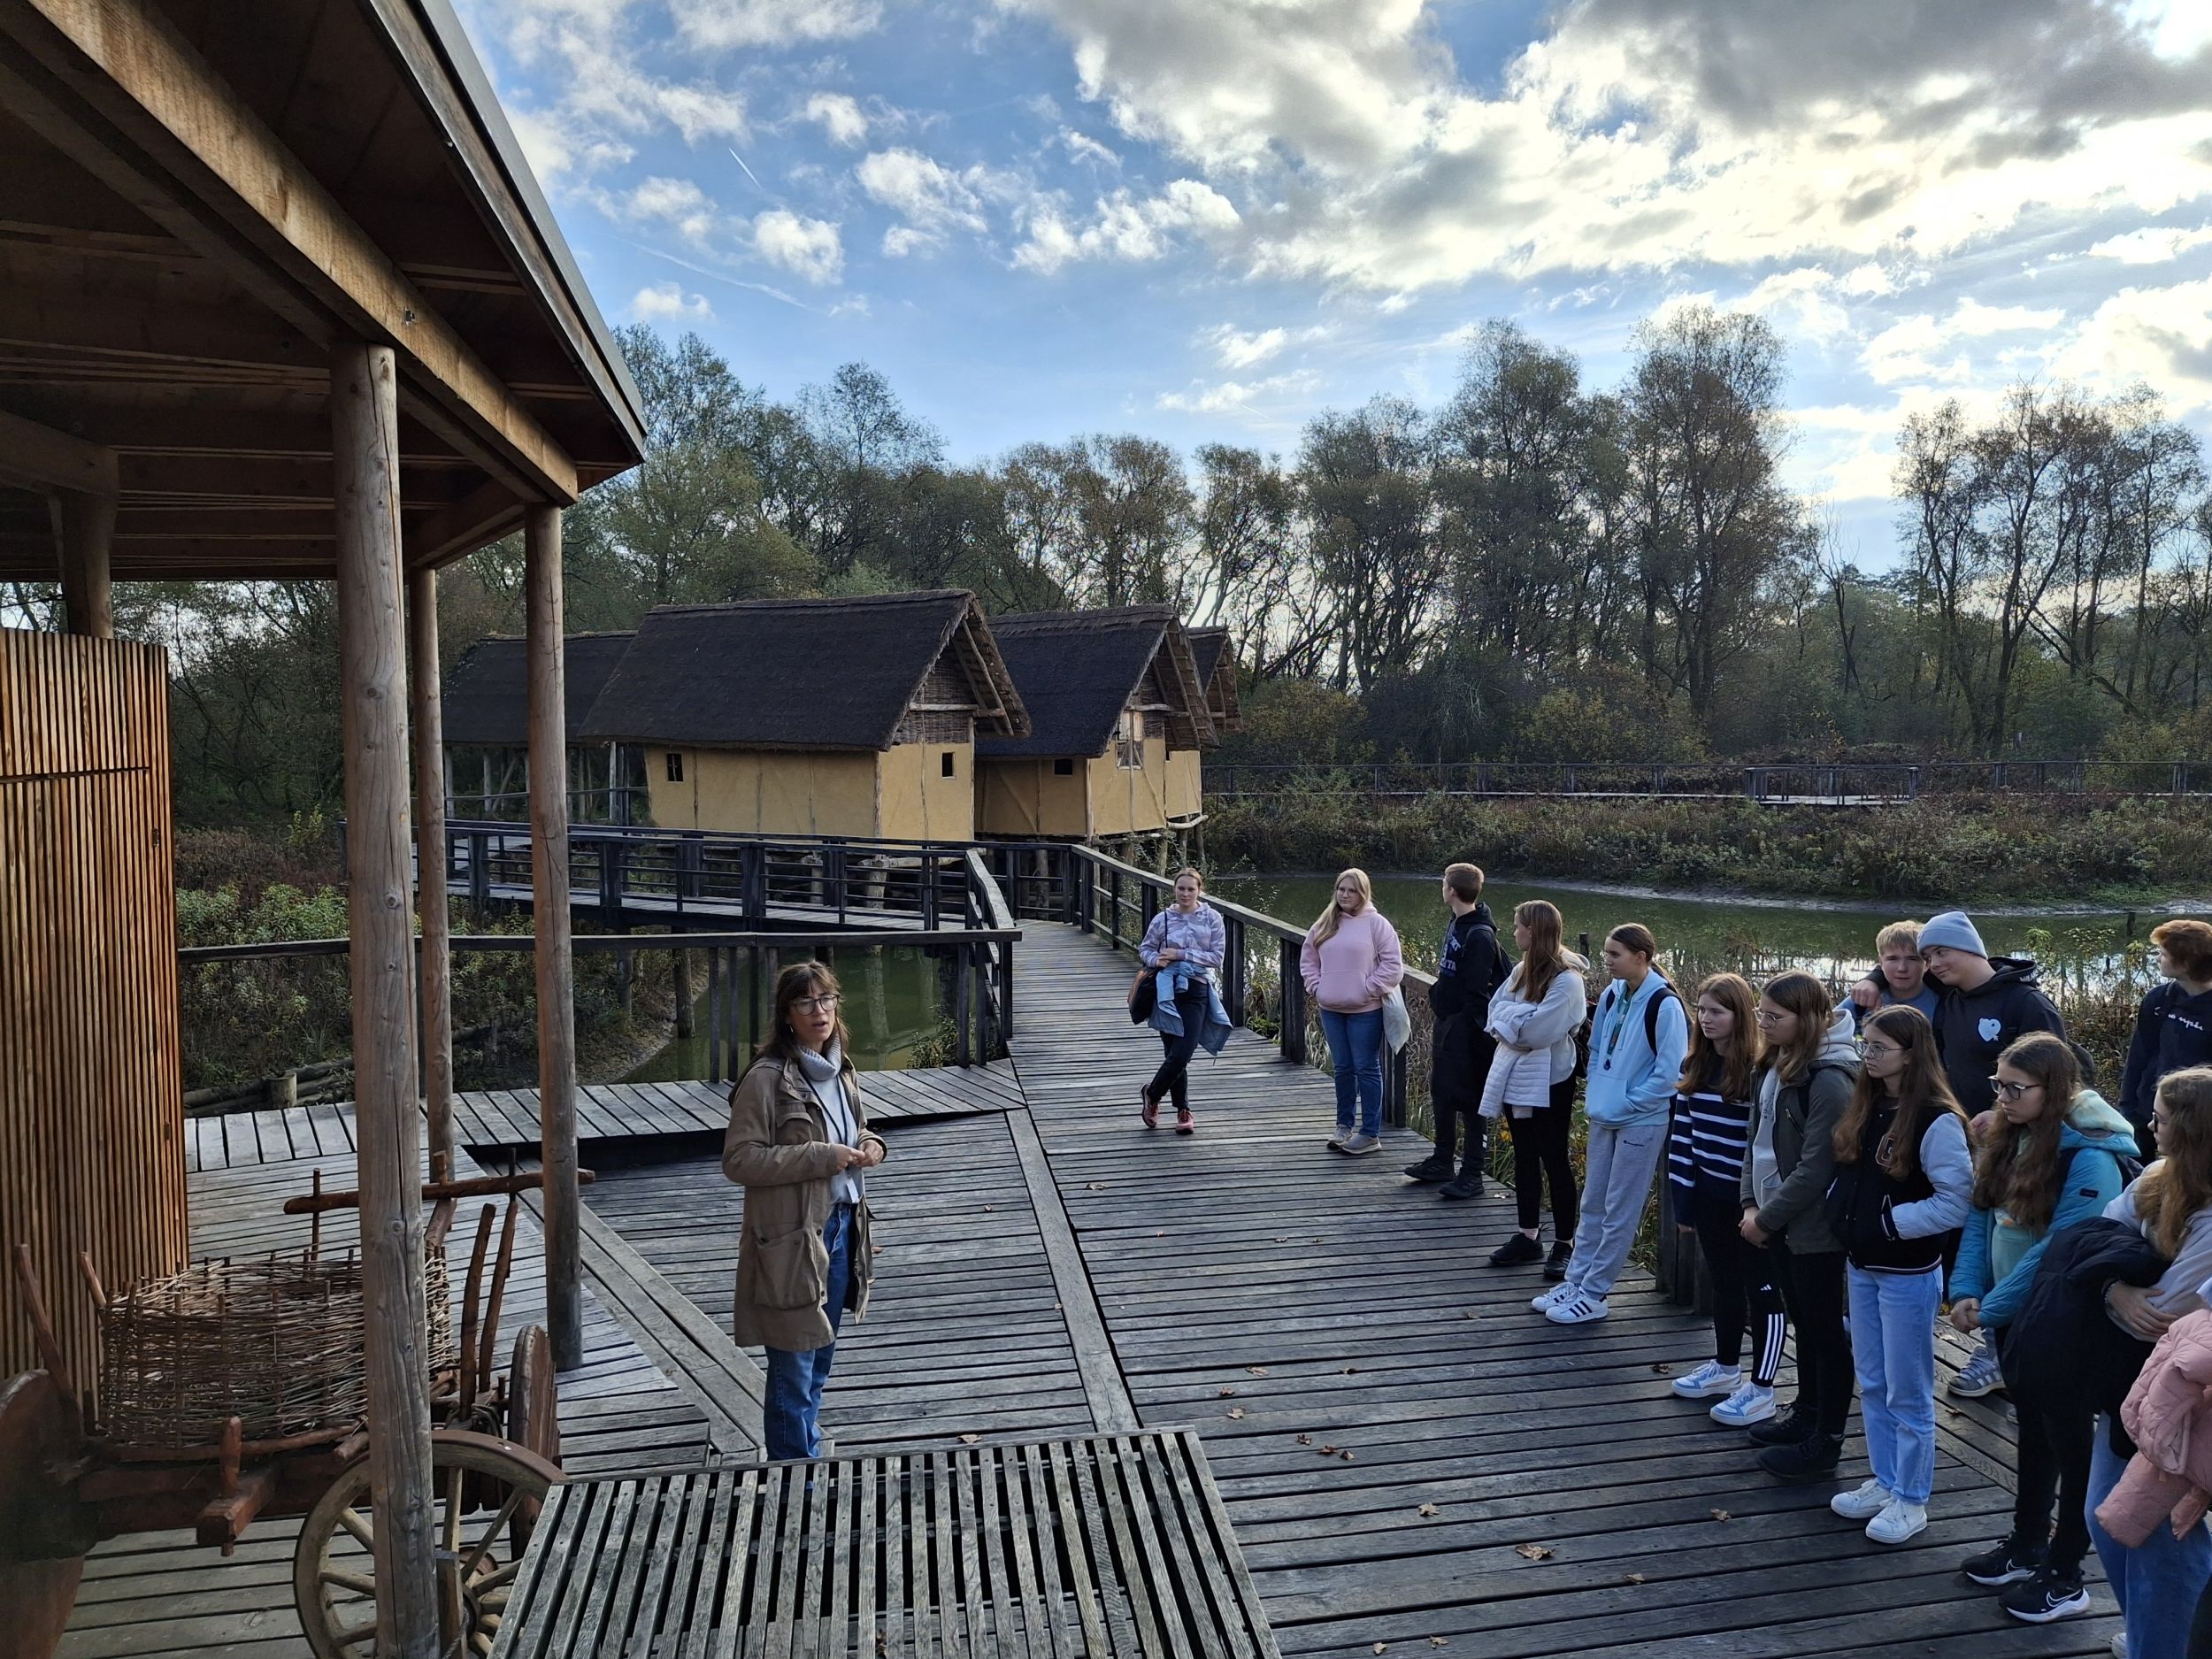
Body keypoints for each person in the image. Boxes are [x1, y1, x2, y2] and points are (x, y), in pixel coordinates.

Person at [1950, 1032, 2140, 1624]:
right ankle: (2027, 1540)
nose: (2003, 1097)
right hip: (2012, 1317)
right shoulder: (2012, 1136)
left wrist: (1992, 1307)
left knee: (2070, 1441)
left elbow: (2057, 1253)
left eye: (2016, 1088)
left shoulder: (2091, 1157)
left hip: (2063, 1321)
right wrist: (1966, 1287)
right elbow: (1982, 1217)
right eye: (1999, 1085)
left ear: (2052, 1089)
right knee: (2030, 1426)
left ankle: (2066, 1573)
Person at [723, 961, 888, 1463]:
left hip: (842, 1227)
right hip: (792, 1240)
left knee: (818, 1358)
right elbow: (739, 1160)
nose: (819, 1011)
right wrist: (820, 1156)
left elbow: (856, 1128)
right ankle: (795, 1478)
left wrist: (872, 1144)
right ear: (786, 1014)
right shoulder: (766, 1079)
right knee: (792, 1371)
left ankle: (805, 1457)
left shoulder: (840, 1069)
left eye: (826, 999)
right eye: (805, 1002)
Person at [1824, 1005, 1974, 1544]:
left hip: (1907, 1272)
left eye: (1879, 1048)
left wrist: (1890, 1224)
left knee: (1908, 1389)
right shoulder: (1869, 1104)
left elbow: (1956, 1200)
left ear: (1911, 1054)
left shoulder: (1936, 1119)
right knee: (1873, 1380)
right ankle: (1885, 1480)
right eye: (1865, 1045)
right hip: (1861, 1265)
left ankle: (1912, 1498)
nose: (1868, 1056)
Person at [1914, 910, 2069, 1401]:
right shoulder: (1951, 1001)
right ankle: (1992, 1340)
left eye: (1941, 952)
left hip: (2023, 1147)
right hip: (1967, 1142)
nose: (1933, 964)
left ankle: (2004, 1353)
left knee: (2013, 1242)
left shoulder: (2026, 1003)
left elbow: (2061, 1078)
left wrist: (2000, 1114)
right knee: (1975, 1237)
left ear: (1972, 949)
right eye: (1927, 956)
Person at [2088, 1067, 2212, 1659]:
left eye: (2159, 1118)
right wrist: (2114, 1288)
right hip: (2131, 1383)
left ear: (2191, 1131)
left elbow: (2163, 1315)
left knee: (2164, 1539)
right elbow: (2091, 1239)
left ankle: (2165, 1644)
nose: (2148, 1125)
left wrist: (2110, 1284)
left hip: (2183, 1403)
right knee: (2105, 1520)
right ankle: (2150, 1634)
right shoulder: (2161, 1177)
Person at [1739, 972, 1860, 1483]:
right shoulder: (1774, 1064)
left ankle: (1826, 1440)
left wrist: (1766, 1218)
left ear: (1807, 1019)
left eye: (1775, 1017)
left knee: (1825, 1332)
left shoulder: (1829, 1079)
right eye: (1761, 1014)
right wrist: (1750, 1203)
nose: (1764, 1024)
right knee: (1803, 1327)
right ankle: (1805, 1415)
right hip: (1777, 1221)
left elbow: (1817, 1167)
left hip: (1813, 1229)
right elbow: (1757, 1139)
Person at [1534, 923, 1687, 1325]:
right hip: (1605, 1114)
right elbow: (1598, 1044)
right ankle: (1576, 1281)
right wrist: (1604, 1094)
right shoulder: (1613, 993)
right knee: (1593, 1202)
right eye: (1605, 953)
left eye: (1615, 954)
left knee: (1620, 1208)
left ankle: (1596, 1293)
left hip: (1641, 1120)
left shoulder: (1665, 1005)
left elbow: (1669, 1072)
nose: (1607, 961)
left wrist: (1629, 1101)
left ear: (1641, 957)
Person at [1663, 972, 1785, 1430]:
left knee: (1763, 1289)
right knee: (1724, 1282)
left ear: (1741, 1015)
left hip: (1751, 1200)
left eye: (1718, 1011)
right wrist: (1684, 1200)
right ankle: (1726, 1367)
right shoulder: (1693, 1064)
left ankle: (1763, 1388)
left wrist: (1763, 1206)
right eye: (1702, 1010)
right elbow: (1683, 1138)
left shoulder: (1759, 1070)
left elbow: (1766, 1144)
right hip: (1709, 1194)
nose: (1706, 1019)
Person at [1482, 901, 1586, 1282]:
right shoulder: (1522, 969)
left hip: (1553, 1079)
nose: (1513, 932)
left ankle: (1565, 1242)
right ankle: (1528, 1235)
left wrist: (1516, 1023)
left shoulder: (1568, 981)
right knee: (1524, 1154)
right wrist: (1517, 1021)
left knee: (1554, 1157)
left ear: (1534, 930)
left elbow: (1539, 1032)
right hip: (1518, 1075)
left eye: (1518, 926)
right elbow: (1495, 1011)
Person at [1406, 862, 1509, 1199]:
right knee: (1443, 1092)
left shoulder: (1480, 935)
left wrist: (1456, 1015)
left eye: (1443, 884)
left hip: (1469, 1032)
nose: (1442, 888)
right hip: (1449, 1025)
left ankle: (1472, 1174)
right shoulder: (1457, 922)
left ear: (1451, 890)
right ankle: (1442, 1160)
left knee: (1471, 1100)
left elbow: (1476, 991)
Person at [1301, 868, 1404, 1156]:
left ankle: (1370, 1133)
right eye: (1341, 889)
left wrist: (1368, 989)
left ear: (1363, 893)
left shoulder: (1377, 924)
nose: (1345, 895)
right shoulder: (1325, 922)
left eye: (1352, 890)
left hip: (1365, 1011)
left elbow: (1393, 966)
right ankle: (1343, 1126)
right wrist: (1317, 987)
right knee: (1343, 1068)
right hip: (1330, 1009)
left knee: (1366, 1067)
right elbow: (1308, 959)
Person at [1136, 867, 1230, 1135]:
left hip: (1196, 989)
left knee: (1183, 1052)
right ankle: (1183, 1110)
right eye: (1181, 888)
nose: (1186, 893)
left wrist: (1180, 954)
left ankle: (1152, 1093)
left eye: (1191, 889)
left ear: (1199, 890)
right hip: (1166, 990)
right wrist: (1156, 960)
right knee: (1173, 1053)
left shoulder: (1212, 918)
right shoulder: (1163, 919)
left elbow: (1217, 957)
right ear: (1174, 889)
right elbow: (1145, 949)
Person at [2120, 918, 2212, 1156]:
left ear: (2186, 962)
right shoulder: (2159, 1000)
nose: (2157, 958)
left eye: (2163, 953)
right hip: (2148, 1115)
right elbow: (2138, 1056)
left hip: (2197, 1124)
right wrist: (2127, 1107)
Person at [1842, 918, 1939, 1025]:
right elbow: (1830, 1027)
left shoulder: (1942, 1006)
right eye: (1893, 959)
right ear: (1881, 962)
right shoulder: (1863, 999)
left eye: (1912, 959)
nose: (1902, 968)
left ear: (1927, 964)